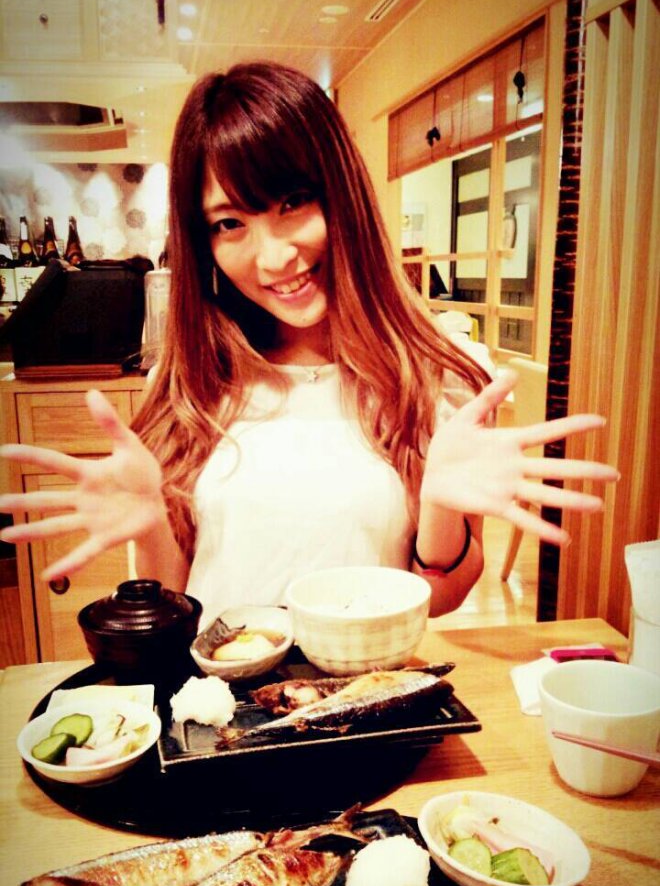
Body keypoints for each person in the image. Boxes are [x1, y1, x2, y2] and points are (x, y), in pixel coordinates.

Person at [0, 63, 618, 622]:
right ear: (202, 241)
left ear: (341, 193)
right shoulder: (192, 380)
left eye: (292, 202)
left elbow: (442, 596)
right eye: (230, 223)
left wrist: (439, 508)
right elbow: (178, 598)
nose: (273, 258)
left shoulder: (430, 373)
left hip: (367, 694)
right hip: (216, 702)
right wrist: (151, 527)